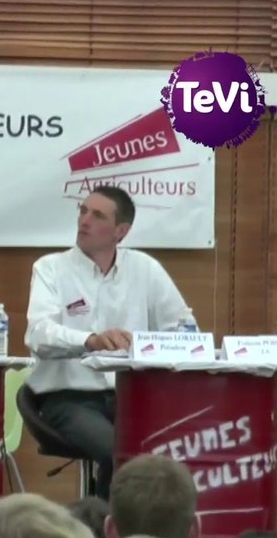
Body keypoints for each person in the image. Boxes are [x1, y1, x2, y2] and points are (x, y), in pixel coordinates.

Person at [24, 185, 190, 499]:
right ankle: (104, 537)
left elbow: (182, 331)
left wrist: (149, 348)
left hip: (131, 397)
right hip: (68, 399)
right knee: (120, 453)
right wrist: (90, 340)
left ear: (121, 231)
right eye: (82, 211)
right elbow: (38, 334)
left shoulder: (145, 270)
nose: (83, 220)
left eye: (97, 215)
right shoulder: (50, 268)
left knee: (178, 447)